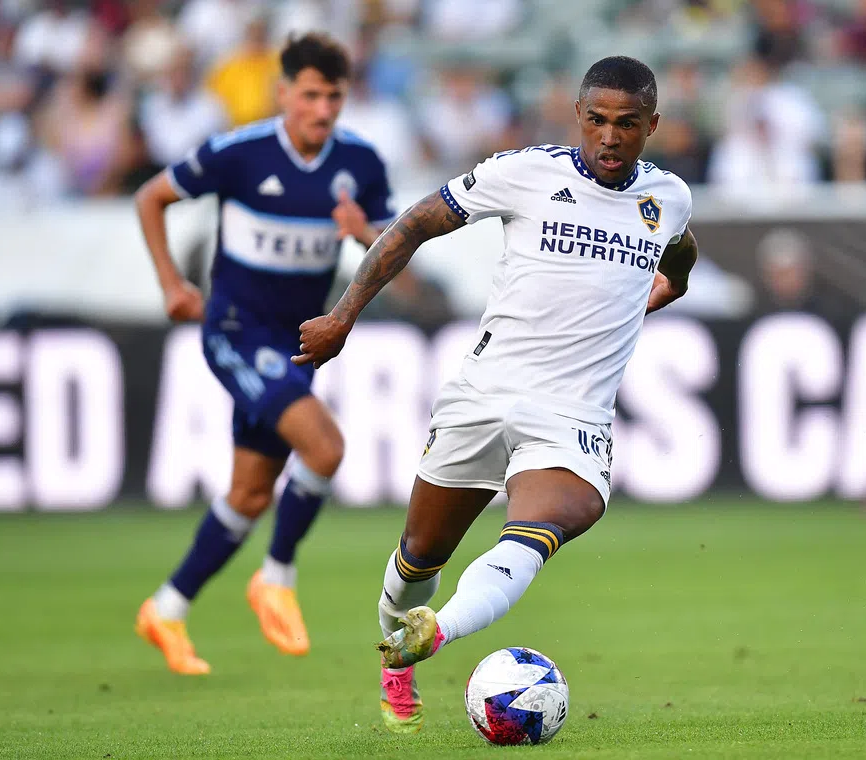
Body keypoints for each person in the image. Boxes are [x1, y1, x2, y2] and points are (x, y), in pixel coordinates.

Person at [292, 56, 698, 733]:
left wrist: (670, 286)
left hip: (571, 417)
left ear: (651, 125)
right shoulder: (522, 172)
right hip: (483, 395)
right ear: (578, 115)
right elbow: (418, 222)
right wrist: (343, 315)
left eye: (627, 124)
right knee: (418, 555)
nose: (609, 136)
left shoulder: (667, 198)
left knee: (550, 522)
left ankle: (440, 628)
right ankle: (401, 659)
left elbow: (679, 248)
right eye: (596, 120)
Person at [132, 32, 393, 674]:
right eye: (310, 95)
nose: (323, 110)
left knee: (249, 495)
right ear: (283, 94)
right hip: (233, 329)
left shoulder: (360, 163)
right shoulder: (240, 154)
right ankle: (275, 576)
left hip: (294, 342)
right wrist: (172, 283)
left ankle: (165, 610)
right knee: (325, 448)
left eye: (333, 96)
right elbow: (151, 197)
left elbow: (393, 248)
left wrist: (366, 234)